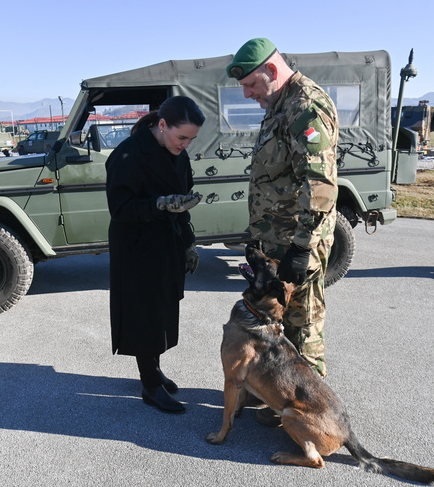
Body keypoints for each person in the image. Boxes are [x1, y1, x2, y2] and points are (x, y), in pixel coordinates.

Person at [227, 37, 339, 426]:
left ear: (272, 71)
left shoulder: (304, 106)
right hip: (277, 241)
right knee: (278, 327)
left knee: (303, 327)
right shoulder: (279, 104)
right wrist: (258, 237)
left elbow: (320, 183)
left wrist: (302, 247)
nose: (248, 94)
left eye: (252, 85)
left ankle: (311, 414)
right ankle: (276, 395)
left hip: (297, 243)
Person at [105, 96, 205, 414]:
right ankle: (149, 385)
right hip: (137, 247)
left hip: (167, 244)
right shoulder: (127, 154)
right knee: (143, 316)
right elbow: (119, 209)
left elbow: (184, 202)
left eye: (191, 138)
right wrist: (160, 204)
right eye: (182, 137)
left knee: (162, 311)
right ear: (162, 125)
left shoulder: (176, 153)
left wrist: (189, 243)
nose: (186, 145)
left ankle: (155, 370)